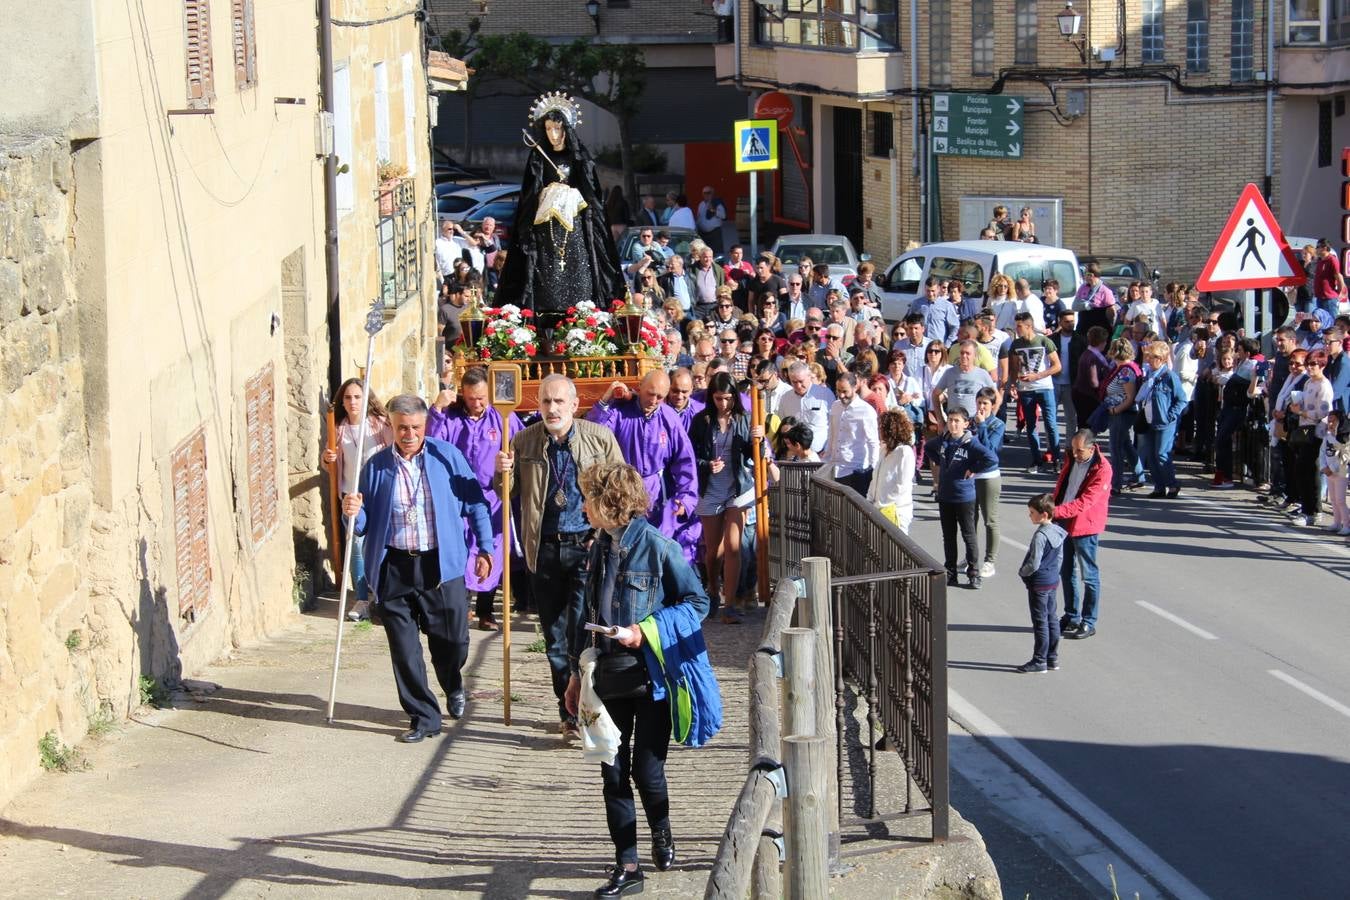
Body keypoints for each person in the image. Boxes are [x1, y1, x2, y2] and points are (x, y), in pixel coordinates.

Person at [563, 462, 711, 898]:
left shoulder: (659, 547)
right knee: (612, 772)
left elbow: (698, 602)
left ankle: (662, 833)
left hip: (651, 679)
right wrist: (575, 676)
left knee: (648, 772)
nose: (582, 505)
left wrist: (643, 631)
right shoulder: (597, 548)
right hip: (605, 678)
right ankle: (627, 864)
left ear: (608, 502)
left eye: (587, 497)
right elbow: (585, 618)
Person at [342, 394, 494, 743]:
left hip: (440, 564)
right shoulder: (376, 466)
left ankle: (453, 682)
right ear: (392, 427)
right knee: (404, 648)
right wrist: (351, 510)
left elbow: (475, 503)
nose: (408, 434)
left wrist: (485, 548)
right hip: (395, 564)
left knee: (452, 639)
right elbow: (363, 523)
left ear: (425, 425)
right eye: (401, 428)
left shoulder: (447, 457)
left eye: (415, 427)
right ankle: (423, 716)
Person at [496, 375, 624, 737]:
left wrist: (607, 537)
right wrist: (501, 471)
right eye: (545, 402)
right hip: (545, 547)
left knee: (585, 629)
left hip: (587, 545)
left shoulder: (599, 439)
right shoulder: (523, 440)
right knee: (554, 635)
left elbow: (621, 489)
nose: (551, 409)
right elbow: (506, 491)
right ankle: (567, 711)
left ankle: (591, 707)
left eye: (558, 402)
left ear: (573, 404)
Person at [497, 95, 626, 317]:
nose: (553, 135)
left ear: (566, 128)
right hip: (546, 225)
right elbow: (529, 192)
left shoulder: (579, 157)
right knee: (546, 268)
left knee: (578, 266)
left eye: (557, 129)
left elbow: (591, 192)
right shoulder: (538, 157)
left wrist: (572, 194)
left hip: (574, 223)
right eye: (548, 129)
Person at [427, 368, 524, 631]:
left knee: (490, 549)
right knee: (460, 549)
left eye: (481, 398)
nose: (477, 403)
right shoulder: (452, 416)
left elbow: (521, 442)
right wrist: (436, 409)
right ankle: (463, 605)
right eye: (471, 399)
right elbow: (432, 443)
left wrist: (511, 463)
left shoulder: (502, 417)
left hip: (491, 495)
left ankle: (486, 611)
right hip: (457, 495)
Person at [588, 373, 700, 563]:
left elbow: (684, 459)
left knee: (658, 549)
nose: (654, 401)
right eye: (650, 394)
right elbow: (593, 433)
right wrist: (606, 400)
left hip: (658, 494)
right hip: (623, 492)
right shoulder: (620, 411)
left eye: (660, 397)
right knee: (626, 549)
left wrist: (686, 497)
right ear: (639, 388)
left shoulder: (669, 417)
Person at [689, 373, 770, 623]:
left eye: (727, 398)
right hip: (710, 488)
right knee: (714, 550)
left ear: (734, 397)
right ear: (710, 398)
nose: (723, 403)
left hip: (738, 488)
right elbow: (690, 455)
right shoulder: (701, 420)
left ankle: (731, 603)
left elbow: (754, 453)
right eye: (718, 398)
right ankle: (713, 590)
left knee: (734, 546)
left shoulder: (744, 419)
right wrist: (706, 465)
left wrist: (759, 439)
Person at [323, 378, 394, 622]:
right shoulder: (339, 428)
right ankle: (362, 598)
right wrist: (327, 458)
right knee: (355, 545)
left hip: (379, 493)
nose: (353, 402)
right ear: (342, 401)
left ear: (366, 399)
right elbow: (329, 465)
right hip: (351, 495)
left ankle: (383, 596)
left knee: (384, 544)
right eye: (348, 397)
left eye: (357, 397)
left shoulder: (381, 425)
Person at [926, 407, 997, 589]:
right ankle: (950, 572)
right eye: (950, 420)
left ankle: (974, 572)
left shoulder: (970, 443)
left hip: (964, 497)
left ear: (966, 423)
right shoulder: (944, 440)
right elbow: (928, 447)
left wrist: (973, 469)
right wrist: (941, 463)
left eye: (957, 421)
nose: (953, 424)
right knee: (948, 536)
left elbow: (991, 458)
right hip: (945, 495)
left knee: (969, 535)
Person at [1052, 430, 1113, 640]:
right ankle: (1071, 616)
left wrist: (1055, 511)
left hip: (1085, 526)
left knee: (1089, 575)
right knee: (1066, 571)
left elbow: (1086, 502)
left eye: (1079, 451)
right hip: (1064, 522)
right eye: (1073, 449)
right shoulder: (1072, 458)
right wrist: (1053, 504)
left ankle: (1089, 621)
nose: (1075, 454)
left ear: (1091, 447)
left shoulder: (1102, 469)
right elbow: (1063, 486)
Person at [1016, 493, 1066, 674]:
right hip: (1052, 580)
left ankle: (1039, 660)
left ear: (1043, 514)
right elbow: (1059, 558)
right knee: (1052, 618)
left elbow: (1034, 562)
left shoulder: (1040, 536)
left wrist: (1023, 572)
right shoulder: (1058, 531)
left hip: (1039, 583)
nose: (1029, 516)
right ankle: (1052, 657)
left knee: (1040, 622)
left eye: (1031, 512)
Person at [1010, 311, 1063, 473]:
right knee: (1031, 425)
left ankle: (1056, 459)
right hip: (1025, 389)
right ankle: (1036, 460)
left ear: (1029, 326)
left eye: (1019, 326)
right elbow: (1014, 367)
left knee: (1051, 424)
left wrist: (1037, 376)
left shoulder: (1044, 341)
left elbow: (1057, 366)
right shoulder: (1016, 344)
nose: (1017, 329)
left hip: (1044, 387)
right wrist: (1014, 384)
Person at [1136, 342, 1188, 499]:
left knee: (1161, 454)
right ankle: (1159, 487)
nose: (1149, 360)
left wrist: (1170, 415)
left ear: (1162, 359)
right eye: (1148, 356)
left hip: (1164, 422)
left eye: (1153, 357)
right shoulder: (1149, 375)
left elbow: (1182, 400)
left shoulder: (1169, 376)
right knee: (1151, 455)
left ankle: (1172, 484)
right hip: (1149, 419)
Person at [1290, 349, 1334, 526]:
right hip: (1304, 428)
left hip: (1317, 431)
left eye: (1313, 364)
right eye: (1308, 364)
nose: (1309, 367)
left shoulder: (1324, 385)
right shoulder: (1308, 382)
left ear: (1322, 365)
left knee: (1309, 470)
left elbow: (1323, 412)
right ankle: (1307, 507)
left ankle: (1313, 510)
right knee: (1302, 469)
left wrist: (1301, 411)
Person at [822, 372, 880, 497]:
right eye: (838, 391)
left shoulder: (866, 410)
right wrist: (827, 457)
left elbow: (873, 442)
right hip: (834, 466)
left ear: (855, 388)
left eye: (845, 391)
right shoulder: (835, 406)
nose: (841, 395)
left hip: (855, 469)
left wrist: (873, 470)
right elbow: (832, 433)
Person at [1100, 338, 1144, 495]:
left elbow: (1130, 397)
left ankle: (1116, 483)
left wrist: (1115, 410)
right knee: (1125, 444)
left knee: (1115, 448)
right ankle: (1139, 475)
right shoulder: (1125, 368)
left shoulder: (1125, 371)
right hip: (1120, 411)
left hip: (1122, 413)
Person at [971, 388, 1005, 578]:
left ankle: (989, 561)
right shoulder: (970, 420)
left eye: (985, 403)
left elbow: (990, 450)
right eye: (979, 402)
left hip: (989, 478)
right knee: (970, 520)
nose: (981, 406)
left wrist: (982, 426)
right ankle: (972, 557)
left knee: (990, 520)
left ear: (992, 405)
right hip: (971, 477)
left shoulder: (996, 424)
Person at [868, 410, 915, 532]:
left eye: (881, 428)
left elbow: (902, 485)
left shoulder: (904, 452)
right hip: (877, 509)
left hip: (897, 511)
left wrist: (883, 504)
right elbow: (875, 479)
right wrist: (869, 501)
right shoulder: (882, 450)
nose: (878, 431)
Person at [932, 340, 997, 425]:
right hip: (954, 421)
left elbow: (996, 397)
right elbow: (935, 394)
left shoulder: (982, 374)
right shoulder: (949, 373)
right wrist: (940, 420)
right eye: (962, 353)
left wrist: (989, 419)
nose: (964, 356)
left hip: (975, 421)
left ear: (975, 356)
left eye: (967, 353)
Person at [778, 361, 834, 453]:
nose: (798, 386)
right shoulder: (785, 398)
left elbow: (834, 424)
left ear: (809, 376)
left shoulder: (825, 394)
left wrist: (828, 449)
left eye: (801, 381)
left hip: (821, 453)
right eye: (794, 382)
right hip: (795, 454)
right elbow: (783, 423)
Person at [1050, 308, 1085, 440]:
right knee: (1050, 417)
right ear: (1060, 322)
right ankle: (1051, 447)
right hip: (1053, 383)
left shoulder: (1080, 340)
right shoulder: (1052, 339)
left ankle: (1070, 448)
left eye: (1072, 321)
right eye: (1067, 321)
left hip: (1071, 384)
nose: (1071, 324)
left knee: (1071, 418)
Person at [1319, 410, 1350, 535]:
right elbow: (1322, 452)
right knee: (1333, 499)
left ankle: (1347, 525)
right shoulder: (1327, 435)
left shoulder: (1346, 437)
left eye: (1334, 421)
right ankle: (1337, 523)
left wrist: (1331, 468)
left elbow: (1346, 455)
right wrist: (1323, 467)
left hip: (1341, 472)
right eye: (1329, 421)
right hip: (1329, 473)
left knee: (1341, 500)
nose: (1331, 424)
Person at [696, 186, 731, 253]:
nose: (706, 194)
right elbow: (699, 217)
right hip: (703, 234)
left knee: (716, 253)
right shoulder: (701, 204)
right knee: (703, 253)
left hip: (714, 233)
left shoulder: (717, 203)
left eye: (708, 193)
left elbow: (723, 216)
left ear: (712, 193)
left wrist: (713, 210)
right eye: (704, 193)